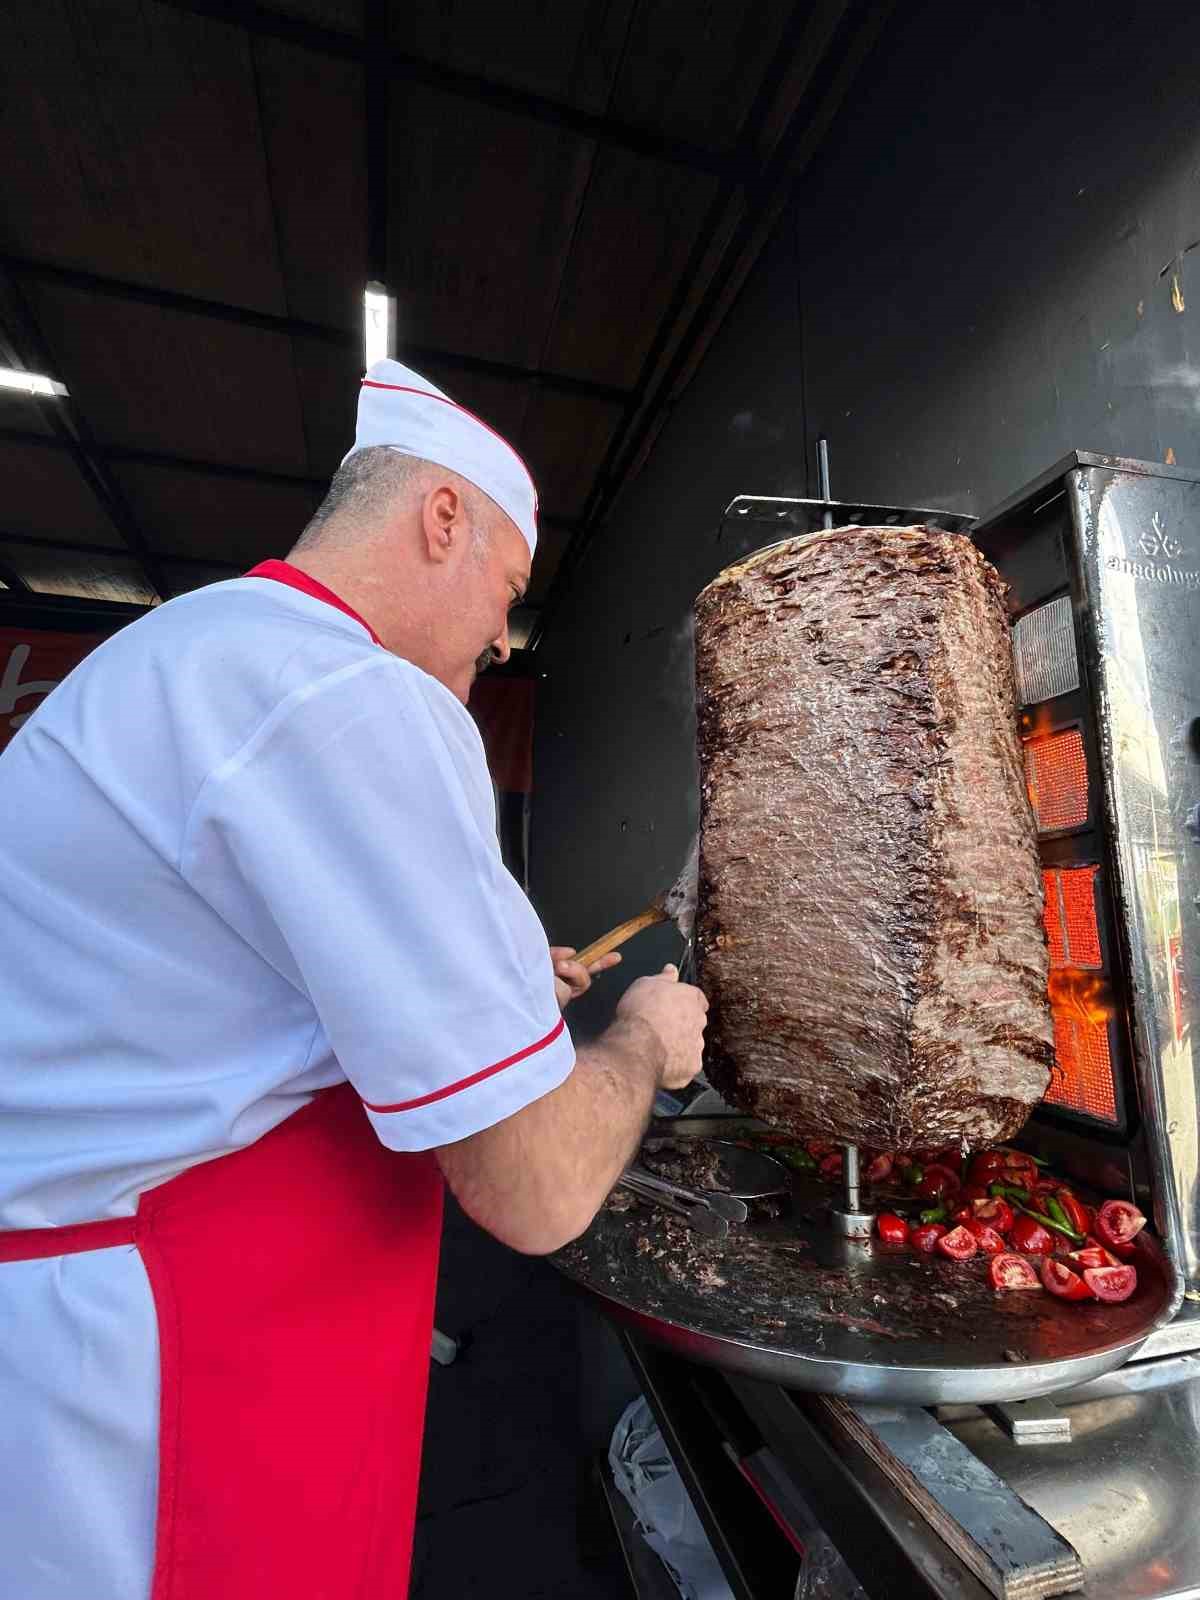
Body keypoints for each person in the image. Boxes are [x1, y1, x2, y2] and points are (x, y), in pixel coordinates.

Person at [0, 360, 708, 1600]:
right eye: (508, 586)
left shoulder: (196, 652)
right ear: (442, 516)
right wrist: (644, 1036)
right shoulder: (346, 691)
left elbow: (223, 991)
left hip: (103, 1343)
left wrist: (481, 984)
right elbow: (536, 1187)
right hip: (178, 1387)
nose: (502, 634)